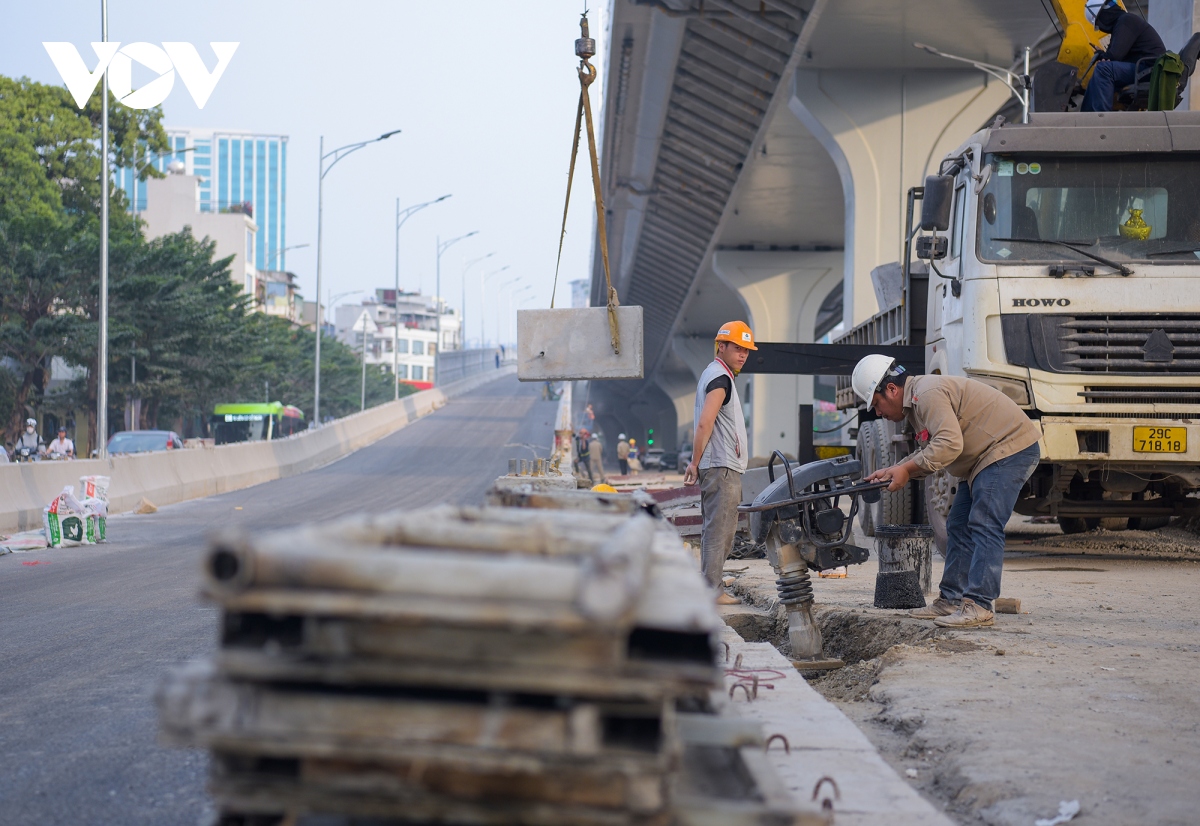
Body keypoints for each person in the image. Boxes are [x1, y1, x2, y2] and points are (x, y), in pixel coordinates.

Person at [853, 355, 1042, 629]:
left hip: (1008, 449)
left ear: (892, 390)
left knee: (985, 522)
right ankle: (951, 601)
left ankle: (979, 604)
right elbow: (933, 450)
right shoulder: (916, 404)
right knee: (959, 525)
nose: (878, 413)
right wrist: (897, 469)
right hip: (981, 458)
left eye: (876, 404)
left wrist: (906, 469)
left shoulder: (927, 393)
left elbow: (949, 444)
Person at [683, 321, 756, 605]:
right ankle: (713, 592)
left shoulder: (713, 374)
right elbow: (705, 424)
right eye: (737, 348)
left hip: (719, 465)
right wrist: (694, 462)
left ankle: (709, 585)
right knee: (721, 530)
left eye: (746, 351)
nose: (742, 355)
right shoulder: (720, 378)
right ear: (721, 346)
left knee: (716, 527)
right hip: (722, 466)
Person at [1080, 0, 1165, 112]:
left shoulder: (1126, 21)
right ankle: (1085, 117)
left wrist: (1102, 56)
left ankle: (1101, 117)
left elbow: (1114, 55)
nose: (1100, 27)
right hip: (1144, 68)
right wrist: (1104, 56)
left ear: (1102, 15)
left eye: (1098, 24)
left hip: (1149, 69)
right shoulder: (1121, 24)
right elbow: (1113, 55)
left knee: (1104, 69)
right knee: (1098, 74)